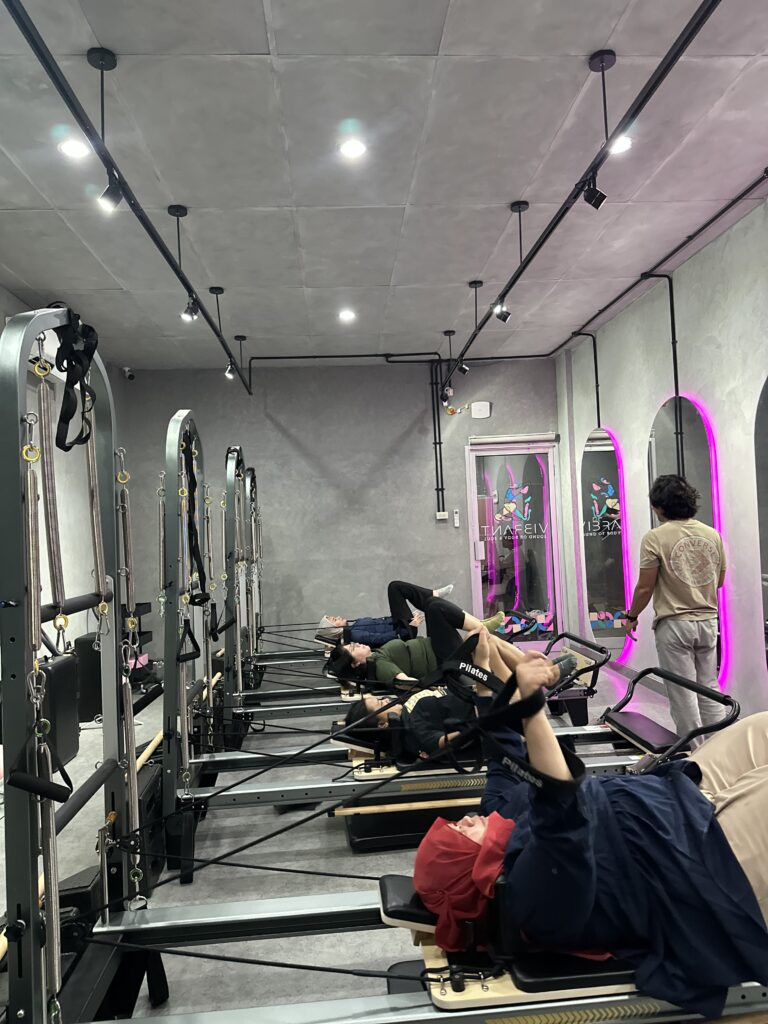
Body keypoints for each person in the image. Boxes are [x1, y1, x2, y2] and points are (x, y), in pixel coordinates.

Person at [413, 632, 768, 1019]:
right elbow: (562, 812)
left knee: (761, 727)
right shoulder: (529, 897)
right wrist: (532, 706)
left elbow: (503, 749)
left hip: (679, 796)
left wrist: (485, 673)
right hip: (702, 862)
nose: (464, 819)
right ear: (469, 869)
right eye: (459, 834)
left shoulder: (499, 816)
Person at [342, 626, 575, 760]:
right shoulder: (414, 731)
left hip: (481, 694)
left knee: (485, 638)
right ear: (383, 724)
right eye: (381, 704)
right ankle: (546, 676)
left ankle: (546, 672)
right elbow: (444, 743)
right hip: (496, 710)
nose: (386, 700)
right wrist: (479, 719)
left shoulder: (406, 710)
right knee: (484, 645)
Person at [625, 474, 726, 739]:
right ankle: (718, 748)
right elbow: (719, 580)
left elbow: (645, 587)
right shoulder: (712, 535)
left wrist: (632, 615)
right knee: (709, 688)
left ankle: (695, 753)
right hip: (708, 621)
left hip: (674, 624)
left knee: (683, 693)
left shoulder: (655, 538)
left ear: (660, 506)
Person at [327, 593, 515, 686]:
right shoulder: (380, 665)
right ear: (355, 664)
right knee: (435, 608)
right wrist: (431, 688)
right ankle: (481, 625)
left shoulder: (376, 656)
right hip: (444, 658)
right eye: (354, 648)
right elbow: (407, 683)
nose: (358, 644)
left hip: (436, 647)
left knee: (431, 603)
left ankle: (482, 626)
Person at [317, 580, 455, 647]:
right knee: (395, 587)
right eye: (334, 620)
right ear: (333, 629)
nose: (338, 617)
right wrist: (410, 626)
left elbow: (381, 623)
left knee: (395, 587)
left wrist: (405, 615)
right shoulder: (354, 635)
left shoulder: (353, 627)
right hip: (403, 633)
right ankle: (432, 596)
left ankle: (432, 596)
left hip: (399, 624)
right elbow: (382, 639)